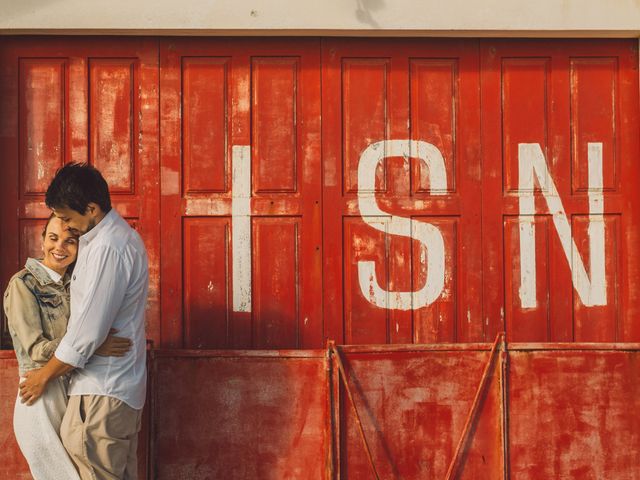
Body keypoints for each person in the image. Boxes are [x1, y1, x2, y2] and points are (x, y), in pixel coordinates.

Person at [18, 163, 149, 480]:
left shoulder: (108, 248)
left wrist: (43, 376)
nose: (63, 225)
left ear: (91, 208)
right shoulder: (111, 240)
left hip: (102, 390)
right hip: (112, 389)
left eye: (65, 217)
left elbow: (86, 333)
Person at [4, 215, 131, 480]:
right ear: (42, 240)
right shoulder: (23, 285)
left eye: (70, 241)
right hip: (39, 395)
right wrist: (93, 344)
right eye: (53, 238)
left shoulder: (77, 284)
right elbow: (35, 350)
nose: (60, 247)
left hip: (69, 391)